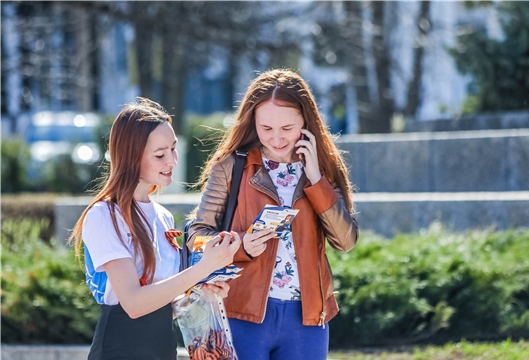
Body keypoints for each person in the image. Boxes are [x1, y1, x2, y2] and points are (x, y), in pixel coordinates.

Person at [188, 69, 359, 360]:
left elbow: (345, 241)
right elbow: (197, 236)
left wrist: (316, 180)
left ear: (306, 120)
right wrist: (241, 245)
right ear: (252, 122)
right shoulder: (231, 166)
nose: (277, 138)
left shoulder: (322, 168)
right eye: (266, 128)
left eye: (287, 128)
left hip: (306, 318)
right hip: (241, 313)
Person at [69, 98, 241, 360]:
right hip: (119, 351)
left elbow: (166, 305)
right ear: (131, 157)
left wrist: (201, 287)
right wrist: (201, 269)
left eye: (173, 149)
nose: (171, 160)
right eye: (160, 154)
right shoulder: (104, 214)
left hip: (162, 349)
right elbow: (134, 304)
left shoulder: (162, 217)